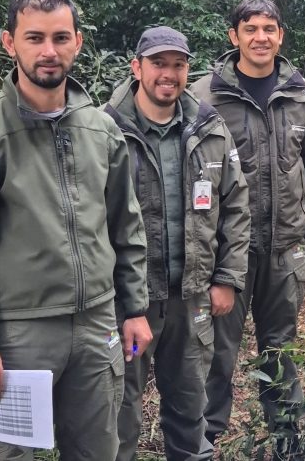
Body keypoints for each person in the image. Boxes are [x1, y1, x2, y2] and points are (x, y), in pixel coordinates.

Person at [0, 0, 152, 460]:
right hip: (16, 335)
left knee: (97, 452)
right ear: (10, 43)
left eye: (59, 37)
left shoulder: (102, 131)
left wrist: (133, 308)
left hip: (96, 326)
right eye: (34, 38)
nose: (48, 51)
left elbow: (125, 229)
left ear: (78, 43)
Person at [104, 27, 250, 461]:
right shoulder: (106, 129)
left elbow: (237, 204)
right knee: (120, 411)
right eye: (159, 64)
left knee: (191, 409)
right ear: (137, 68)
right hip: (126, 303)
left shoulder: (209, 127)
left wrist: (226, 277)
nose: (169, 74)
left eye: (178, 65)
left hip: (191, 297)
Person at [192, 0, 305, 455]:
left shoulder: (302, 94)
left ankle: (288, 439)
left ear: (280, 36)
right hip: (228, 252)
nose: (260, 37)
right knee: (216, 353)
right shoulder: (205, 96)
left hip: (285, 249)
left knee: (280, 350)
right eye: (250, 29)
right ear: (234, 37)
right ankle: (203, 442)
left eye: (269, 28)